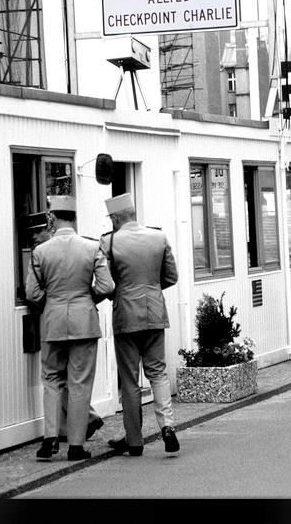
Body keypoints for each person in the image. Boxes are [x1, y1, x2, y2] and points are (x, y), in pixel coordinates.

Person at [25, 196, 114, 461]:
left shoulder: (41, 251)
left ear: (53, 218)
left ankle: (50, 440)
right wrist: (88, 300)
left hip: (52, 322)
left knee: (52, 380)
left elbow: (32, 291)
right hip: (84, 322)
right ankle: (75, 446)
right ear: (74, 218)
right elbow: (107, 286)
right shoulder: (91, 247)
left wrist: (50, 303)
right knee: (79, 383)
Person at [99, 192, 180, 457]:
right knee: (157, 372)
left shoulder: (109, 242)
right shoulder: (158, 236)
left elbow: (107, 282)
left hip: (125, 316)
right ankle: (167, 426)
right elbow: (171, 276)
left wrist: (120, 293)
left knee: (130, 379)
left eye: (111, 217)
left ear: (116, 217)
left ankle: (134, 441)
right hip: (155, 312)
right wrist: (153, 290)